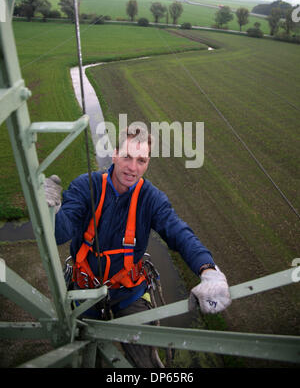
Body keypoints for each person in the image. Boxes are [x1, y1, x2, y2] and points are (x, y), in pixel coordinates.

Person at [45, 126, 231, 367]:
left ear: (148, 163)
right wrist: (49, 211)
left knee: (145, 361)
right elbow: (61, 233)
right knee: (86, 357)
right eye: (127, 157)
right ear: (114, 155)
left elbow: (178, 231)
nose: (133, 168)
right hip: (86, 291)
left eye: (141, 160)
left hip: (128, 290)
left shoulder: (151, 198)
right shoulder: (86, 186)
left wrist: (208, 269)